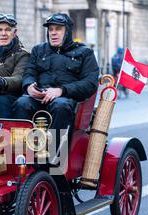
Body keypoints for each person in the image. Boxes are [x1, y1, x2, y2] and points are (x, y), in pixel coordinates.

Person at [12, 13, 99, 146]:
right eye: (50, 29)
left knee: (60, 106)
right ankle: (22, 153)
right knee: (21, 103)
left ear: (68, 32)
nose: (53, 33)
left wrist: (61, 90)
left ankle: (54, 157)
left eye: (58, 29)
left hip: (67, 99)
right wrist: (29, 86)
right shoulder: (38, 50)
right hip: (39, 97)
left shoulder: (85, 52)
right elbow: (29, 73)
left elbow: (90, 83)